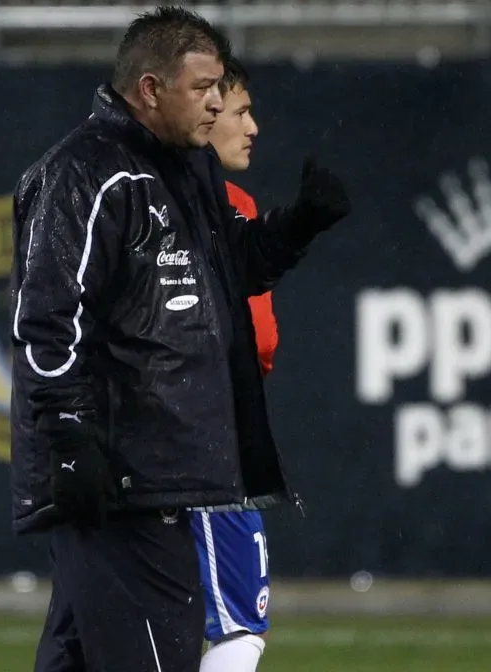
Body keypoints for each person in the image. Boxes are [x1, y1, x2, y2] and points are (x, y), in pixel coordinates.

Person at [9, 6, 350, 672]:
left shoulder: (188, 167)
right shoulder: (87, 174)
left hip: (164, 468)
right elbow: (49, 319)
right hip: (121, 477)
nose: (220, 102)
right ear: (150, 90)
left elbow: (235, 266)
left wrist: (300, 224)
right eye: (204, 88)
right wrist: (71, 437)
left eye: (221, 85)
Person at [194, 56, 277, 672]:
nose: (252, 127)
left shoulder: (236, 201)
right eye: (241, 112)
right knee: (239, 627)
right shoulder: (188, 203)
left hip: (214, 432)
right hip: (198, 441)